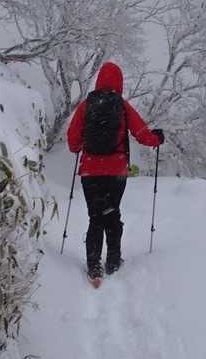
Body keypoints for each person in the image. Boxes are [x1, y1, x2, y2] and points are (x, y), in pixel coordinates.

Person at [65, 61, 163, 280]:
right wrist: (157, 139)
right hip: (116, 171)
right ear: (119, 82)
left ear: (99, 80)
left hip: (90, 172)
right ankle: (113, 261)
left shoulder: (86, 106)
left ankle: (94, 266)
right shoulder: (122, 106)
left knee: (95, 217)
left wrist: (79, 147)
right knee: (111, 213)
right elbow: (142, 134)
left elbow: (72, 140)